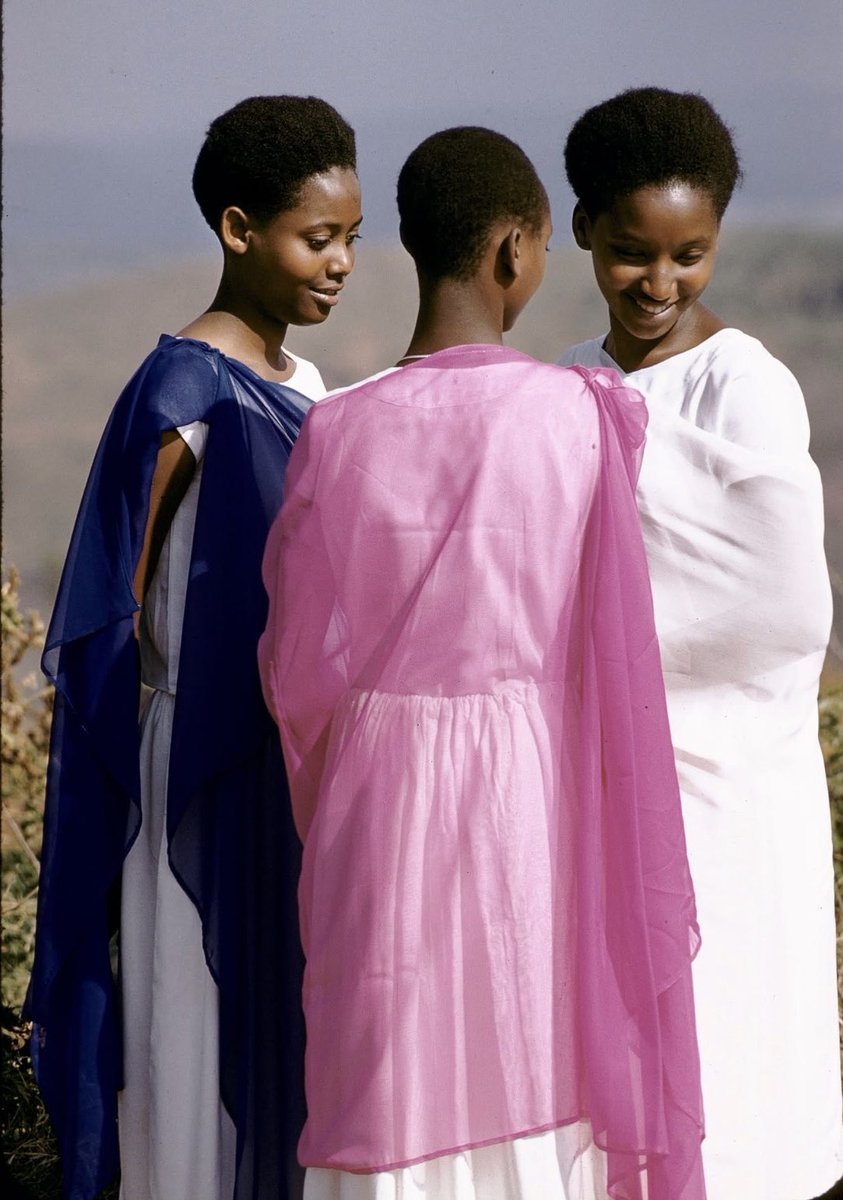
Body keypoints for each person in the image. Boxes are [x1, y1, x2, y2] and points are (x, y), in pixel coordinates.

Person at [258, 126, 706, 1200]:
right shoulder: (581, 418)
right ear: (516, 248)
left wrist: (358, 779)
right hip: (528, 806)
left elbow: (298, 678)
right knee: (529, 1047)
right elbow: (615, 663)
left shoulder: (337, 430)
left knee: (388, 1069)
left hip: (380, 807)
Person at [26, 94, 362, 1200]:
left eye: (353, 237)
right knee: (192, 1023)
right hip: (190, 772)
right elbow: (108, 610)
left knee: (281, 1024)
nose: (343, 263)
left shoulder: (309, 388)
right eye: (319, 238)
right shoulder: (180, 390)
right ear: (236, 228)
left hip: (290, 765)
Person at [558, 86, 843, 1200]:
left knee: (735, 1043)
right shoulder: (568, 382)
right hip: (602, 786)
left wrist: (618, 630)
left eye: (690, 255)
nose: (659, 284)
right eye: (632, 253)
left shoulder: (749, 386)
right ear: (582, 229)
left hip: (730, 788)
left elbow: (779, 609)